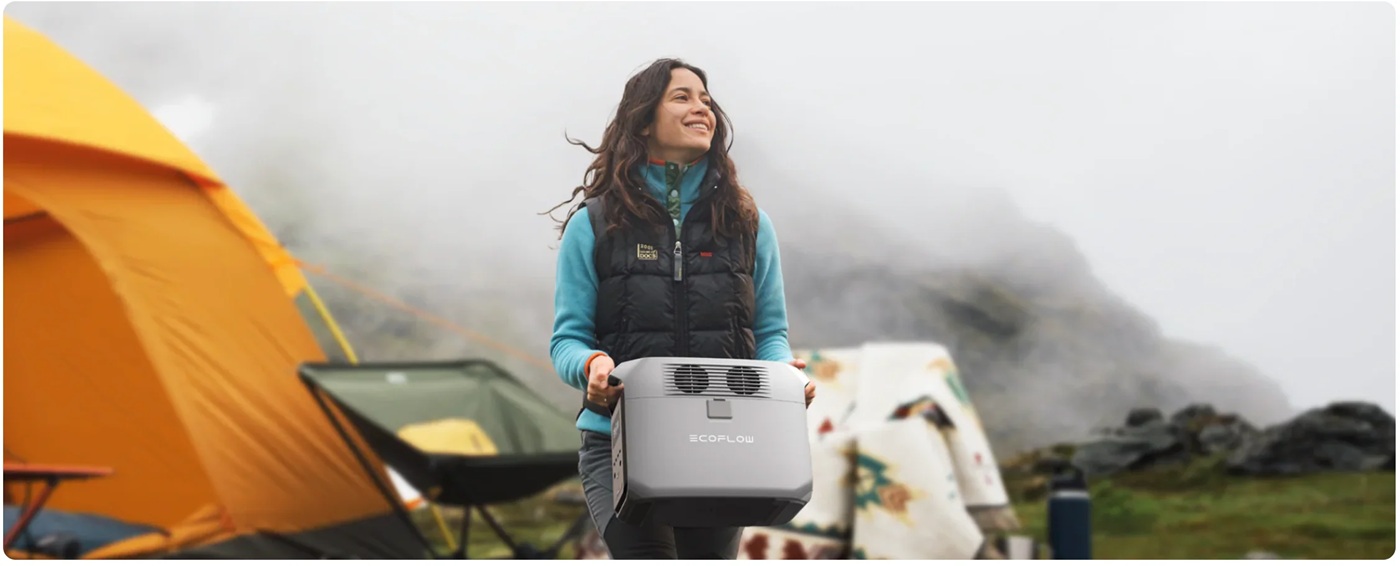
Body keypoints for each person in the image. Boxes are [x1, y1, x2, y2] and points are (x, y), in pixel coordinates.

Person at [546, 58, 815, 560]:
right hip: (620, 442)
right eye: (683, 97)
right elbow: (567, 341)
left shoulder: (748, 223)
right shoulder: (595, 223)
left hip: (726, 440)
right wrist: (592, 366)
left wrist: (785, 374)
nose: (702, 108)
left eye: (706, 100)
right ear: (644, 119)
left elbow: (770, 333)